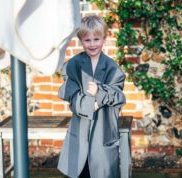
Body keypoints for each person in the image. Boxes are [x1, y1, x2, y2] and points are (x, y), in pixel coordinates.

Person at [57, 15, 127, 178]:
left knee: (101, 171)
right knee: (80, 171)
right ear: (81, 40)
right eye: (87, 40)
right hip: (80, 130)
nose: (92, 44)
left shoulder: (113, 69)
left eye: (96, 39)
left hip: (103, 131)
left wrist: (100, 92)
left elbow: (119, 97)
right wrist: (91, 105)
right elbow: (67, 91)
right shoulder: (73, 65)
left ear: (104, 39)